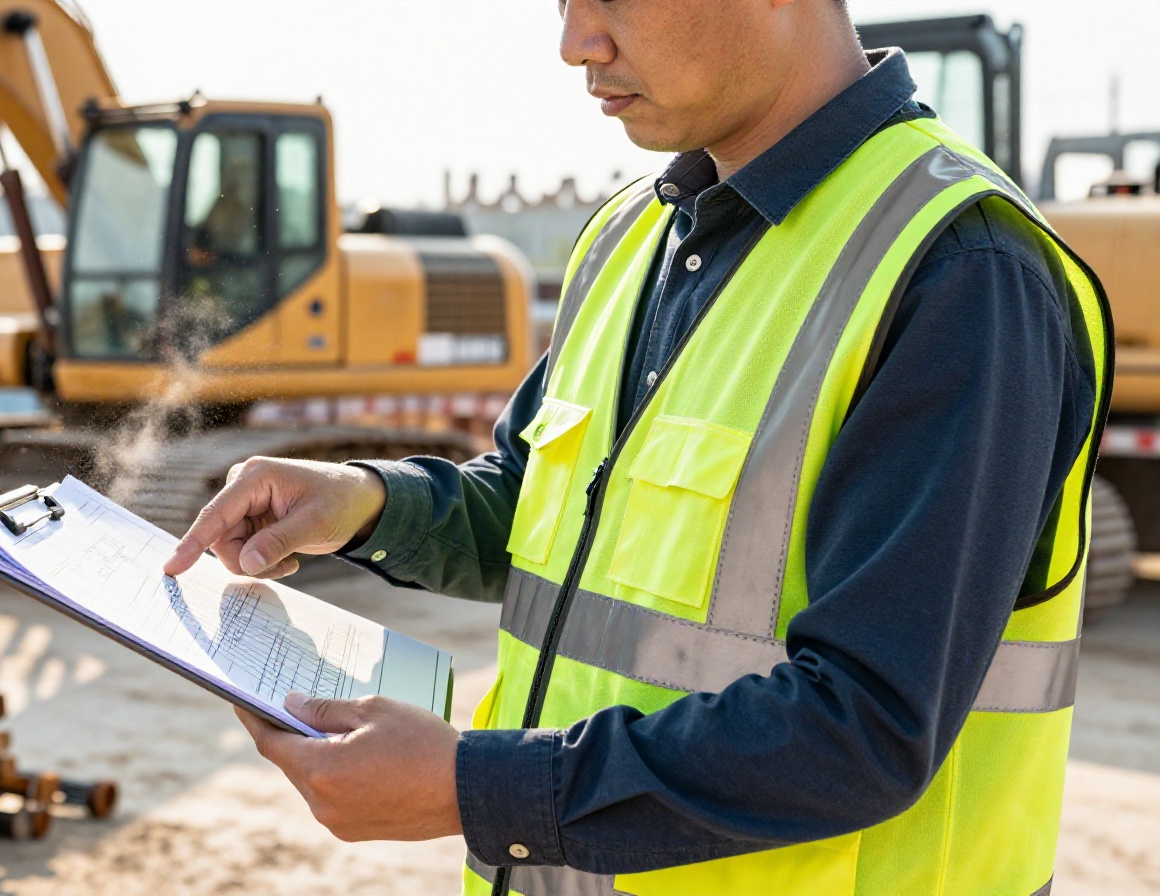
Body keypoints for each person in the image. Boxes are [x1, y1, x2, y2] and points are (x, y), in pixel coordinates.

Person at [163, 1, 1109, 894]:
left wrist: (474, 786)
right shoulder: (632, 234)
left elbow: (866, 724)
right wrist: (369, 499)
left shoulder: (960, 273)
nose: (576, 43)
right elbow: (546, 506)